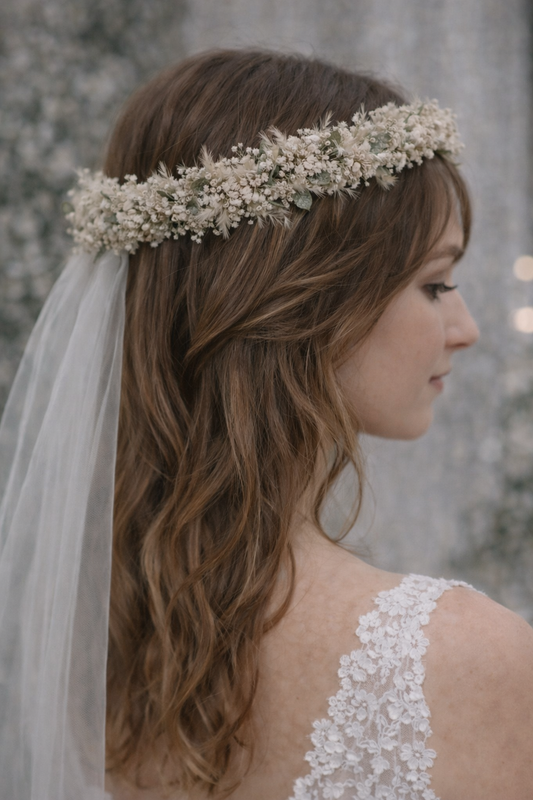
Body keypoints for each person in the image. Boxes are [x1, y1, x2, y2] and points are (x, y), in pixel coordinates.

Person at [0, 48, 532, 800]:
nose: (466, 329)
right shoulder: (461, 659)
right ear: (303, 301)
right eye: (435, 283)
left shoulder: (76, 646)